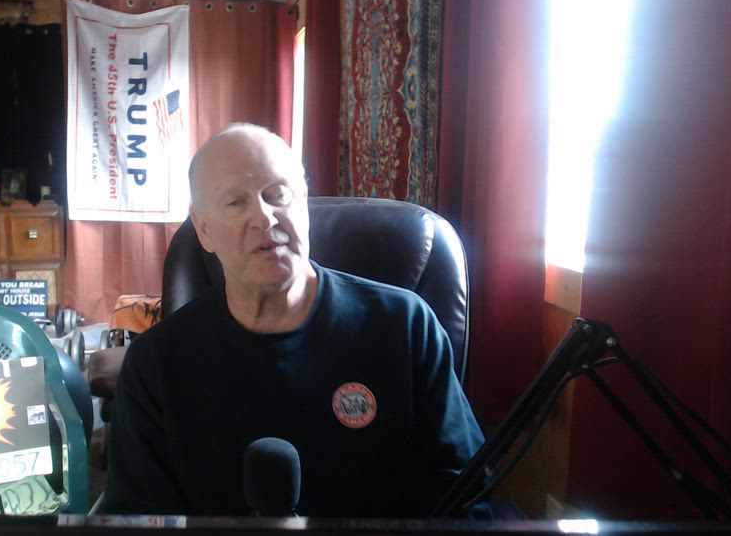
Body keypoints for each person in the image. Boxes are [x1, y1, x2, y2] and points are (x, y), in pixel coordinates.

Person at [102, 123, 484, 517]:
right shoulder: (157, 362)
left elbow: (464, 495)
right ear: (204, 230)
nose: (264, 218)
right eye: (235, 202)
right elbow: (135, 515)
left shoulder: (404, 326)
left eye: (277, 195)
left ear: (302, 202)